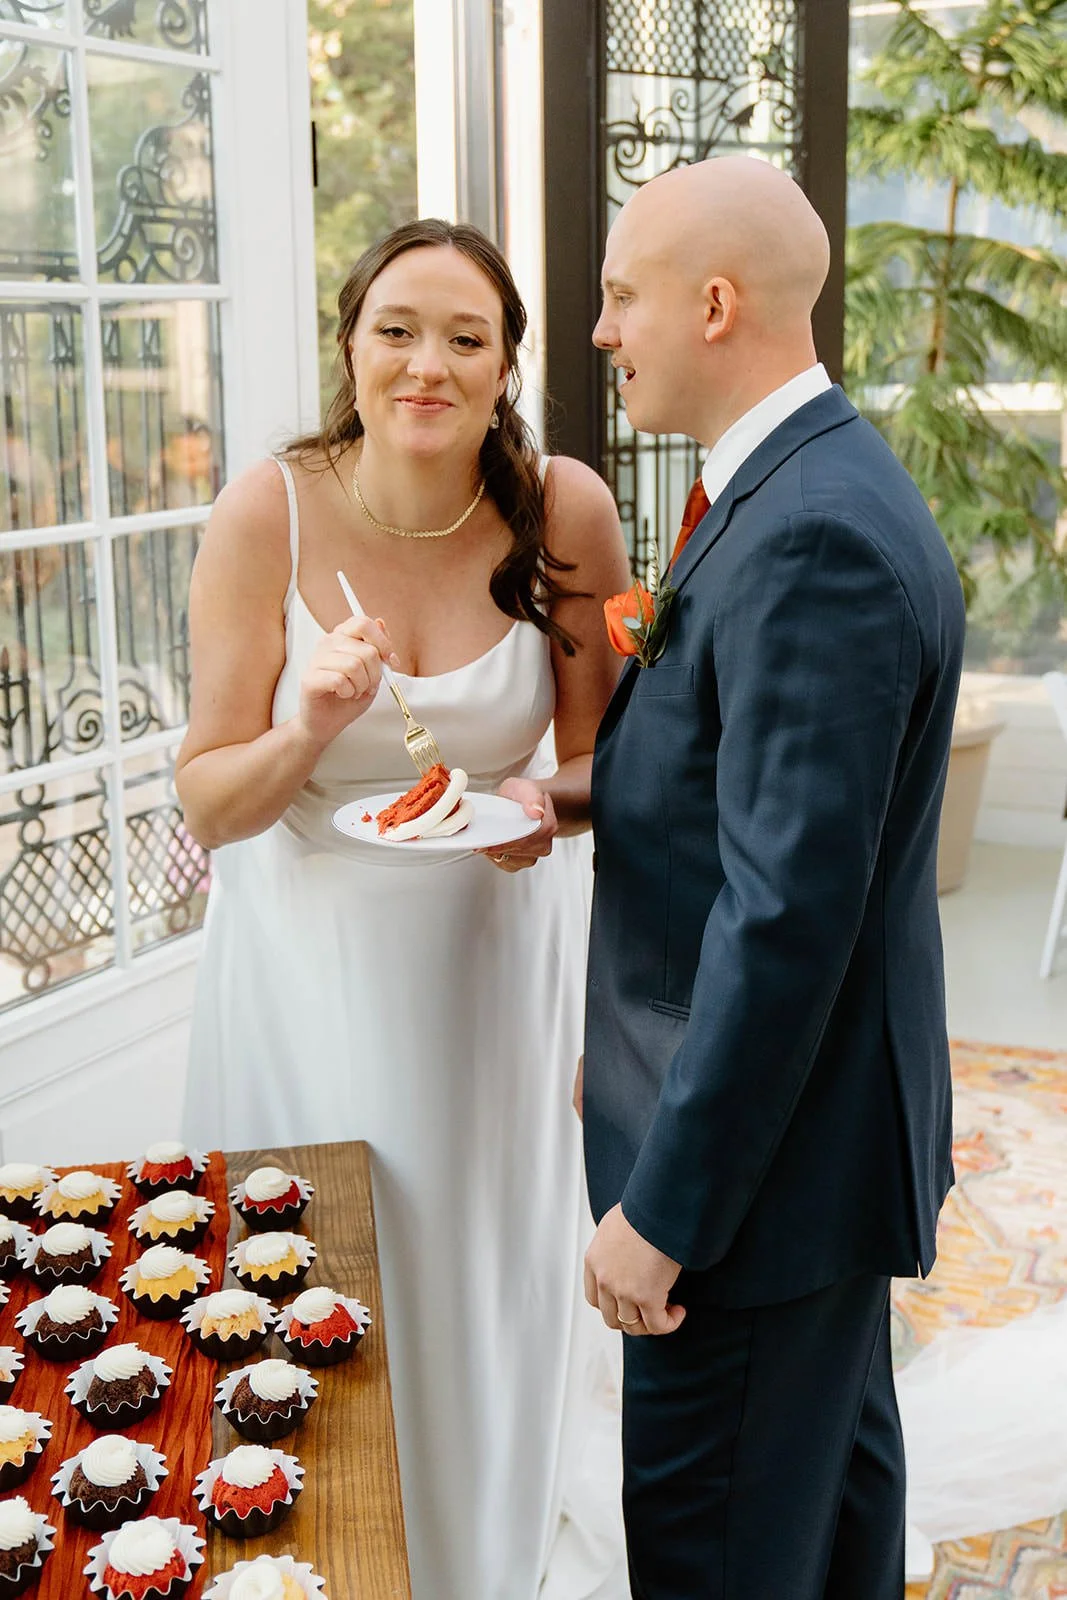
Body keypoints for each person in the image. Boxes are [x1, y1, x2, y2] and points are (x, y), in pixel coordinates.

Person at [175, 218, 631, 1600]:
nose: (424, 364)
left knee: (474, 1274)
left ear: (505, 369)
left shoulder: (565, 511)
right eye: (396, 330)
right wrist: (309, 725)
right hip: (303, 975)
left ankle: (480, 1557)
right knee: (318, 1274)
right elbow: (211, 803)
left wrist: (539, 809)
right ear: (349, 342)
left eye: (464, 339)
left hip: (488, 973)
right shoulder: (272, 508)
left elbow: (606, 761)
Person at [580, 155, 966, 1599]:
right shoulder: (805, 488)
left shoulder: (809, 535)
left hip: (749, 1197)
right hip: (807, 1173)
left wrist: (664, 1213)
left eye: (623, 296)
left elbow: (786, 922)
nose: (606, 331)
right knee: (824, 1532)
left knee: (722, 1558)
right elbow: (748, 800)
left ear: (716, 303)